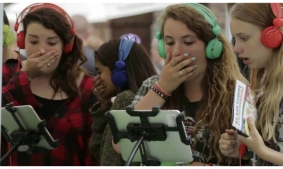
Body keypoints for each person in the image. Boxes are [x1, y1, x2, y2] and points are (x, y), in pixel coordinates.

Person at [113, 3, 248, 166]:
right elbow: (121, 145)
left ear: (212, 47)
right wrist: (162, 88)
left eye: (188, 42)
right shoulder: (152, 85)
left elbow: (252, 158)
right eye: (169, 42)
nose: (177, 51)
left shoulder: (237, 93)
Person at [1, 3, 96, 166]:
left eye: (51, 43)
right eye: (33, 41)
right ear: (22, 41)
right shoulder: (8, 75)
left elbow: (93, 151)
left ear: (66, 46)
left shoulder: (86, 87)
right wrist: (26, 76)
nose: (42, 51)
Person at [219, 3, 283, 166]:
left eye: (244, 38)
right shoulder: (263, 81)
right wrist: (247, 150)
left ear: (273, 35)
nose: (236, 48)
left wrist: (262, 150)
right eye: (235, 39)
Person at [88, 39, 157, 166]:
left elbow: (109, 161)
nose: (96, 79)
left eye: (99, 72)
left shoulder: (125, 99)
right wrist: (104, 106)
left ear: (119, 73)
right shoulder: (148, 98)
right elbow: (100, 151)